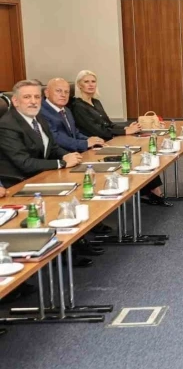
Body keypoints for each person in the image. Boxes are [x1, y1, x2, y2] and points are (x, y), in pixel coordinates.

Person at [0, 80, 93, 267]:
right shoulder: (8, 125)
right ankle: (62, 251)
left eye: (36, 97)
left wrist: (67, 155)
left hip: (39, 174)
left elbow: (52, 147)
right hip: (19, 182)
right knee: (62, 195)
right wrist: (61, 163)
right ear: (15, 101)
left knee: (77, 183)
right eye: (27, 97)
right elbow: (24, 163)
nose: (33, 101)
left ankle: (75, 242)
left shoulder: (38, 118)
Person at [70, 70, 171, 207]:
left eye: (93, 81)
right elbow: (97, 130)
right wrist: (124, 131)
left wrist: (128, 127)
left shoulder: (96, 102)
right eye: (86, 82)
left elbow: (109, 124)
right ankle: (151, 191)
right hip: (95, 146)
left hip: (108, 141)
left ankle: (151, 190)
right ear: (79, 85)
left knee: (141, 152)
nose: (90, 84)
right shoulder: (77, 106)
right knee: (133, 156)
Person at [41, 78, 112, 239]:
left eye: (66, 92)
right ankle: (81, 230)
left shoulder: (66, 110)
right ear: (47, 93)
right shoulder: (43, 112)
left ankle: (91, 219)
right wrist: (84, 144)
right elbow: (56, 138)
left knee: (96, 175)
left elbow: (74, 133)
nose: (63, 95)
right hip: (58, 156)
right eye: (58, 91)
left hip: (73, 154)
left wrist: (90, 140)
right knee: (85, 180)